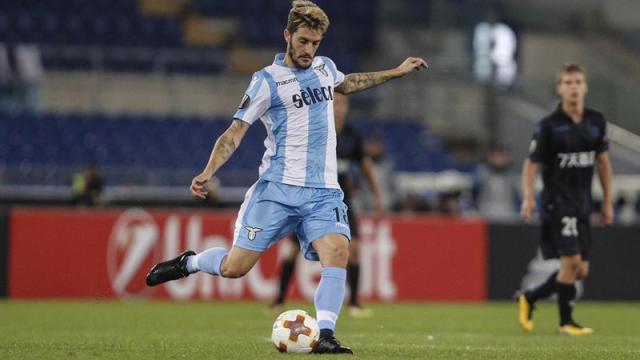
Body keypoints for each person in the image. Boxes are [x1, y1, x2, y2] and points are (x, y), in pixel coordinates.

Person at [145, 0, 428, 354]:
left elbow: (349, 83)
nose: (309, 50)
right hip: (277, 190)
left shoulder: (326, 69)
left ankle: (325, 334)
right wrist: (207, 171)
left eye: (315, 43)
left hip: (323, 192)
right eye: (304, 41)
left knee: (339, 250)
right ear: (287, 36)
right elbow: (234, 133)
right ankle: (189, 262)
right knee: (234, 268)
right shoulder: (266, 81)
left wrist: (396, 72)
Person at [518, 64, 613, 336]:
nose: (573, 86)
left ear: (585, 87)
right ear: (560, 88)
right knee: (570, 264)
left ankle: (530, 298)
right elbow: (531, 164)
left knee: (579, 269)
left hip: (583, 202)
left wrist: (606, 202)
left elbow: (603, 163)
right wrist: (528, 197)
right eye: (568, 82)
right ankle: (565, 322)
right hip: (557, 202)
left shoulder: (596, 122)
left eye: (578, 82)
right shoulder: (548, 126)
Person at [269, 93, 383, 318]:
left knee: (355, 250)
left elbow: (365, 165)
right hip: (312, 198)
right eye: (335, 103)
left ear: (348, 107)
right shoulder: (317, 131)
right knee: (292, 250)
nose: (339, 107)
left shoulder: (352, 136)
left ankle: (354, 303)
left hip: (342, 200)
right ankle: (279, 300)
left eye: (343, 103)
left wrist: (376, 194)